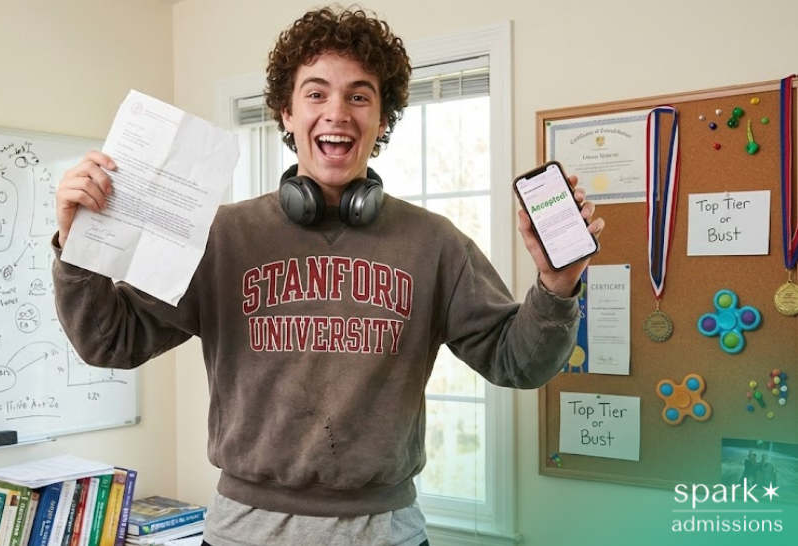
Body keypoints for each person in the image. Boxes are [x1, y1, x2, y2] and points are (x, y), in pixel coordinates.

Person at [51, 6, 603, 546]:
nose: (337, 112)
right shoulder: (219, 237)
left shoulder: (435, 244)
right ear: (286, 114)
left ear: (382, 119)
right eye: (316, 93)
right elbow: (111, 342)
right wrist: (78, 249)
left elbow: (518, 362)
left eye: (359, 96)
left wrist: (557, 286)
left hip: (385, 533)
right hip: (245, 532)